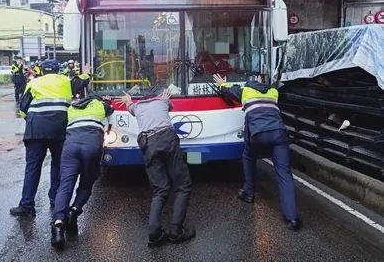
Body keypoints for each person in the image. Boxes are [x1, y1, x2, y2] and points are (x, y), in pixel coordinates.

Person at [213, 73, 301, 230]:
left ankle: (248, 192)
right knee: (284, 174)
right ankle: (292, 218)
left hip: (258, 134)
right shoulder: (274, 92)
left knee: (248, 155)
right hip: (279, 133)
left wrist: (222, 83)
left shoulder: (246, 91)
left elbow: (229, 91)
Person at [115, 85, 195, 247]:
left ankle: (154, 233)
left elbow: (129, 106)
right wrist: (165, 98)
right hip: (167, 139)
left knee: (160, 189)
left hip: (148, 144)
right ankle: (176, 230)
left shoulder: (137, 107)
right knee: (182, 186)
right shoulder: (162, 102)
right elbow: (169, 104)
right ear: (158, 95)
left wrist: (129, 100)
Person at [51, 92, 114, 249]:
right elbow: (111, 110)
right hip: (91, 146)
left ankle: (58, 226)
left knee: (65, 186)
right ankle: (74, 210)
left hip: (70, 147)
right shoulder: (101, 106)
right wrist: (106, 102)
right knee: (86, 184)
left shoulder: (72, 108)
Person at [10, 59, 73, 217]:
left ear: (42, 70)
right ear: (58, 70)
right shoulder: (66, 81)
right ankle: (56, 200)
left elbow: (23, 108)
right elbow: (82, 83)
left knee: (33, 167)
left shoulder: (34, 83)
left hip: (36, 130)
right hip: (59, 129)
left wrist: (32, 120)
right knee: (58, 165)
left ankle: (27, 205)